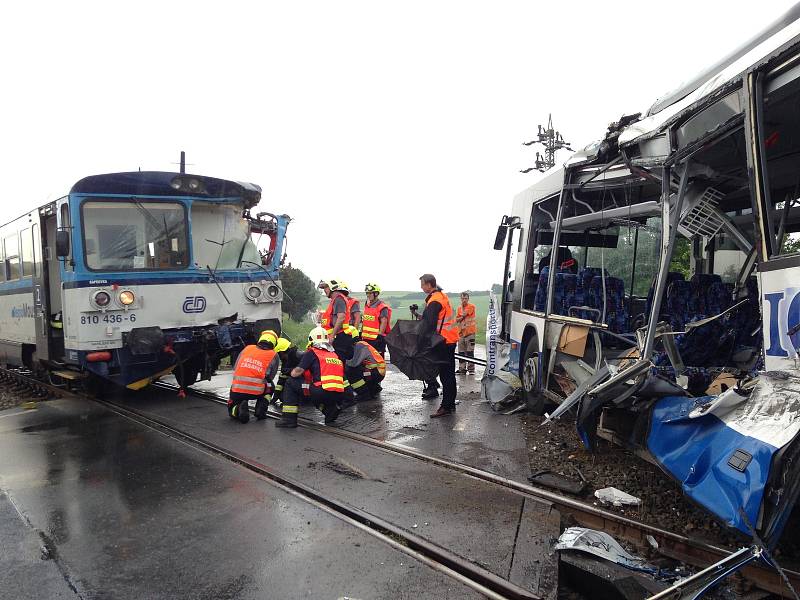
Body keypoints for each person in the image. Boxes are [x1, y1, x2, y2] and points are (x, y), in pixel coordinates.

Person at [275, 326, 344, 428]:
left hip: (321, 391)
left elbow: (296, 373)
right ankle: (329, 411)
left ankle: (288, 419)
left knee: (291, 382)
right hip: (338, 394)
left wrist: (289, 371)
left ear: (311, 339)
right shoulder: (334, 354)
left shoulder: (312, 352)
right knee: (312, 387)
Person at [417, 274, 460, 418]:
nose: (421, 287)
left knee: (445, 375)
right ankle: (450, 404)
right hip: (450, 340)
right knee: (449, 374)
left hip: (442, 342)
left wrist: (420, 342)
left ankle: (446, 407)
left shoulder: (434, 301)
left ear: (429, 285)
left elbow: (428, 325)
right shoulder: (442, 296)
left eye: (422, 284)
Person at [228, 330, 280, 423]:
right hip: (257, 392)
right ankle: (261, 410)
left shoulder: (247, 348)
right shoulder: (273, 354)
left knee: (232, 408)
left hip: (237, 391)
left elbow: (236, 367)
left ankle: (237, 409)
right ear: (274, 343)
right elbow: (271, 376)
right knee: (270, 385)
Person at [319, 279, 359, 360]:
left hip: (339, 337)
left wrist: (332, 336)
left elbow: (341, 318)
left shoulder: (339, 299)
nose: (324, 291)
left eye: (326, 288)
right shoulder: (336, 300)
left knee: (339, 361)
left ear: (332, 288)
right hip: (338, 336)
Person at [410, 302, 439, 399]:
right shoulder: (431, 309)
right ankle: (433, 384)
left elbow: (428, 322)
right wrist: (415, 313)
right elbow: (424, 320)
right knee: (426, 363)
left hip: (432, 341)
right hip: (429, 340)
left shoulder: (434, 309)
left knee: (427, 364)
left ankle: (432, 387)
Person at [361, 283, 392, 356]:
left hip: (377, 339)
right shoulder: (367, 305)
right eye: (367, 293)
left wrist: (380, 336)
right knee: (367, 361)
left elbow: (384, 322)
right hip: (366, 338)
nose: (368, 295)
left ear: (376, 294)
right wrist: (361, 332)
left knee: (378, 361)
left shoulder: (382, 307)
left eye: (370, 293)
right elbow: (365, 321)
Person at [272, 337, 303, 406]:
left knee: (289, 383)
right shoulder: (285, 362)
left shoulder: (299, 356)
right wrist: (274, 399)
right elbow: (281, 381)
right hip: (296, 386)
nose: (279, 357)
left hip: (304, 387)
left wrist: (290, 371)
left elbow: (304, 373)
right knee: (282, 397)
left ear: (282, 352)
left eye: (278, 354)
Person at [455, 292, 477, 374]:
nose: (464, 300)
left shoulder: (471, 306)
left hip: (470, 332)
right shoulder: (459, 308)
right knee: (461, 352)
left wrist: (460, 317)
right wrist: (460, 318)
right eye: (463, 298)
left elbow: (464, 315)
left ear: (468, 299)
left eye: (466, 298)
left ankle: (471, 369)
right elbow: (457, 319)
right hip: (461, 333)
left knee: (470, 351)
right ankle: (462, 369)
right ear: (460, 299)